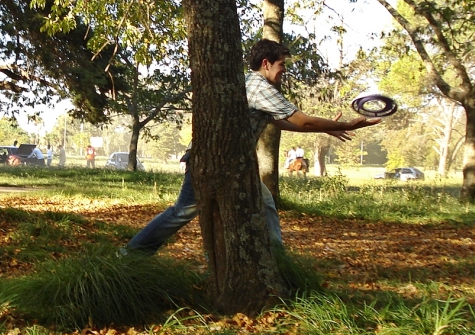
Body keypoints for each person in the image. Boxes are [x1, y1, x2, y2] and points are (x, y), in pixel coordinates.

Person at [122, 39, 381, 255]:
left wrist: (326, 127)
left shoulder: (252, 85)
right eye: (281, 65)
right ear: (266, 64)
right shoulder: (260, 87)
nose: (284, 71)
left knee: (265, 203)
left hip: (230, 163)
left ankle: (275, 257)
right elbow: (300, 120)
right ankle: (132, 253)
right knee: (183, 211)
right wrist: (349, 124)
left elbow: (281, 123)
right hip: (212, 162)